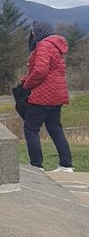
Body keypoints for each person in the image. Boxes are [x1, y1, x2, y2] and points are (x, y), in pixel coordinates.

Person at [21, 20, 74, 172]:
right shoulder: (56, 46)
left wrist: (27, 85)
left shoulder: (44, 45)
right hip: (57, 94)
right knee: (55, 128)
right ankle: (66, 164)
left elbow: (40, 71)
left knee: (31, 129)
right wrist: (26, 79)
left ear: (38, 32)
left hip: (42, 95)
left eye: (33, 32)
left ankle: (36, 165)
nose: (32, 35)